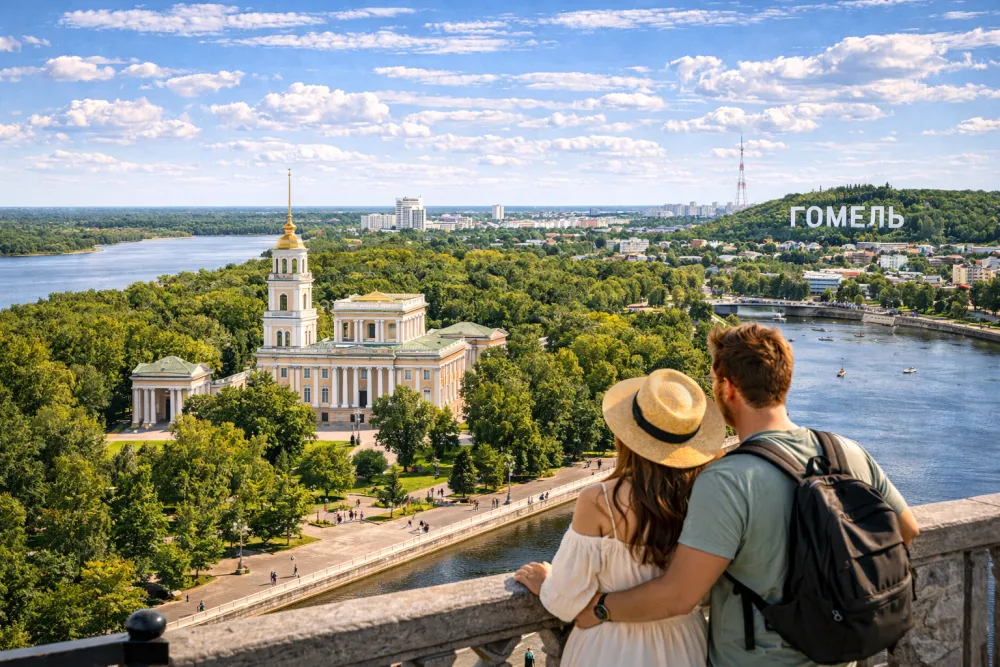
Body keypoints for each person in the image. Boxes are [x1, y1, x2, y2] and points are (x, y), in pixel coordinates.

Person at [565, 324, 920, 667]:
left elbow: (679, 596)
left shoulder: (727, 480)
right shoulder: (847, 450)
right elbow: (907, 530)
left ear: (728, 389)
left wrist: (600, 608)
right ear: (784, 381)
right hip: (838, 651)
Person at [515, 368, 727, 665]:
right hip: (686, 645)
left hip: (610, 646)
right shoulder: (710, 497)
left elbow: (566, 599)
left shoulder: (601, 500)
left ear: (627, 437)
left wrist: (544, 581)